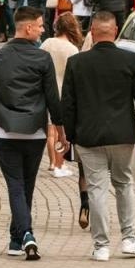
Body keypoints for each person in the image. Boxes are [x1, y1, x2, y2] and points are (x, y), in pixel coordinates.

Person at [60, 12, 135, 262]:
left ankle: (101, 246)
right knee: (124, 183)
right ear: (115, 31)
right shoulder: (130, 60)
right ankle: (129, 239)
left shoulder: (77, 63)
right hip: (122, 135)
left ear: (92, 32)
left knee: (96, 188)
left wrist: (70, 136)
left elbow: (68, 104)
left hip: (88, 136)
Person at [0, 7, 64, 259]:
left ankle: (18, 237)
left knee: (16, 186)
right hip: (35, 132)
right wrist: (60, 131)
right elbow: (52, 98)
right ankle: (24, 234)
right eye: (40, 26)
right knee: (26, 186)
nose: (42, 30)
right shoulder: (42, 58)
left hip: (6, 131)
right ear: (28, 28)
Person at [40, 13, 83, 181]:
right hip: (64, 92)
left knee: (50, 131)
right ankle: (59, 164)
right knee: (61, 133)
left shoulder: (47, 43)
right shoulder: (72, 49)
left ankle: (52, 162)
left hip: (46, 90)